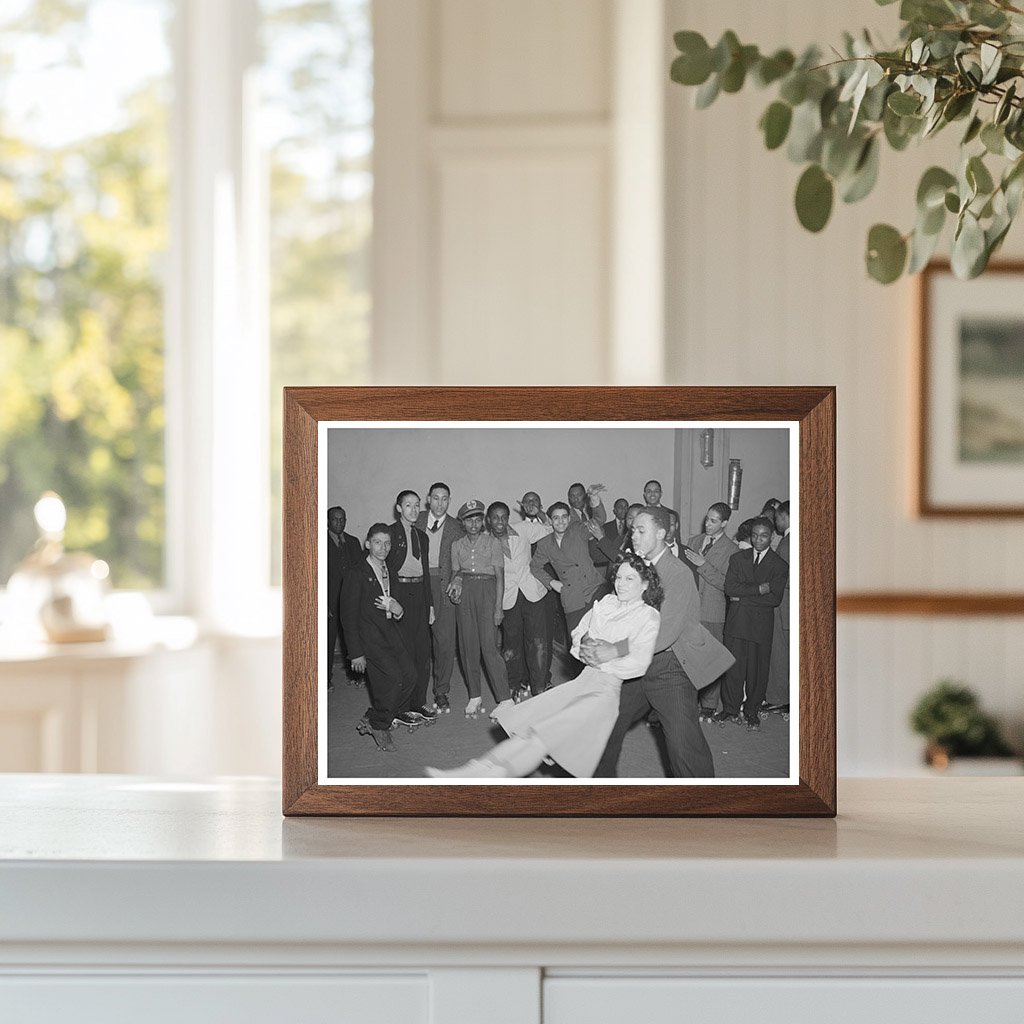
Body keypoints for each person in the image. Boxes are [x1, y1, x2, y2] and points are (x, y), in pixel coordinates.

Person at [426, 553, 662, 779]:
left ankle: (495, 774)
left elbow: (640, 659)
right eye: (618, 577)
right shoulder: (608, 602)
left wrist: (612, 651)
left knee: (542, 738)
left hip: (603, 693)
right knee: (530, 730)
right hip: (582, 683)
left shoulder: (647, 615)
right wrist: (586, 643)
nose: (620, 584)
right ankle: (475, 769)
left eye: (629, 578)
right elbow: (579, 633)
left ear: (644, 584)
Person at [594, 507, 733, 778]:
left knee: (685, 747)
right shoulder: (637, 569)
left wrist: (615, 649)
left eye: (641, 530)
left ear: (661, 533)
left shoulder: (677, 573)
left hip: (670, 668)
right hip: (638, 667)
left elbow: (663, 634)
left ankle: (705, 805)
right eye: (632, 529)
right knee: (605, 725)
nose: (633, 535)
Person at [341, 523, 421, 752]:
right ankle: (379, 725)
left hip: (390, 634)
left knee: (410, 676)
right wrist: (355, 653)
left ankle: (375, 715)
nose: (383, 548)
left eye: (387, 543)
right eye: (377, 542)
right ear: (367, 544)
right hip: (368, 639)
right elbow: (348, 616)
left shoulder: (389, 571)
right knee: (394, 679)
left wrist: (399, 609)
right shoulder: (356, 573)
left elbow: (395, 608)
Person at [715, 516, 788, 731]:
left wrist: (742, 596)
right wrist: (758, 589)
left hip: (760, 626)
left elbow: (774, 599)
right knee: (733, 668)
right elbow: (730, 589)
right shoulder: (738, 559)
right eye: (755, 535)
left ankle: (752, 711)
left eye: (764, 536)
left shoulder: (779, 565)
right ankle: (730, 708)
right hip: (737, 623)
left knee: (758, 671)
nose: (758, 540)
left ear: (772, 537)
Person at [448, 499, 513, 719]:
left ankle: (505, 698)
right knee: (468, 647)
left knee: (489, 648)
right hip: (466, 595)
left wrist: (498, 608)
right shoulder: (456, 545)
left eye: (477, 519)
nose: (474, 524)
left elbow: (500, 577)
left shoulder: (492, 542)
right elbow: (456, 572)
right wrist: (456, 581)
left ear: (482, 521)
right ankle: (474, 695)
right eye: (469, 520)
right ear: (462, 523)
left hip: (487, 592)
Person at [487, 501, 552, 701]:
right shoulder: (485, 542)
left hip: (533, 593)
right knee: (511, 645)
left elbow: (550, 528)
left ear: (508, 518)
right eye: (495, 518)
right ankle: (513, 686)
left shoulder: (523, 529)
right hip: (507, 598)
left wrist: (539, 511)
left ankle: (539, 686)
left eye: (504, 517)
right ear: (488, 520)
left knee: (538, 642)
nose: (500, 522)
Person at [681, 501, 740, 718]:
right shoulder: (693, 541)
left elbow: (727, 584)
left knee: (711, 659)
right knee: (688, 657)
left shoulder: (731, 550)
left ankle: (709, 705)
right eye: (707, 518)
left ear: (724, 523)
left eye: (714, 521)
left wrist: (703, 564)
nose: (708, 523)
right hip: (690, 609)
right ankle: (688, 701)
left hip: (713, 611)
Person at [386, 490, 437, 724]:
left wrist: (430, 605)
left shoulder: (422, 537)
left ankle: (418, 703)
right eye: (408, 505)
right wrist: (388, 602)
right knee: (403, 654)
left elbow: (425, 573)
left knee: (422, 652)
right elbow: (383, 571)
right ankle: (401, 706)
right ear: (399, 508)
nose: (414, 510)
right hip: (399, 596)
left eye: (417, 505)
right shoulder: (389, 534)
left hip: (419, 595)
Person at [416, 482, 465, 713]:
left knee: (444, 642)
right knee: (416, 640)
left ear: (449, 500)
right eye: (435, 498)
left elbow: (464, 559)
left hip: (444, 586)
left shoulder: (456, 527)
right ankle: (413, 690)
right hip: (417, 584)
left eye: (444, 499)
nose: (440, 503)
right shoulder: (416, 518)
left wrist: (458, 578)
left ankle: (441, 690)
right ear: (428, 499)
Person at [530, 501, 605, 634]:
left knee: (602, 636)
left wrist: (594, 499)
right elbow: (535, 567)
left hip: (595, 590)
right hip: (572, 598)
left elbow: (599, 519)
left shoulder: (578, 530)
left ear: (569, 518)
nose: (561, 521)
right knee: (577, 641)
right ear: (551, 521)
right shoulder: (545, 544)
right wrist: (552, 583)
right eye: (556, 518)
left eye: (564, 517)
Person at [326, 506, 362, 691]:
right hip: (330, 601)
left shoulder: (354, 542)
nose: (339, 523)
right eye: (335, 519)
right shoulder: (320, 542)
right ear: (328, 521)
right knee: (328, 640)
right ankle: (325, 679)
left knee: (352, 637)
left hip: (351, 600)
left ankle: (355, 676)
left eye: (342, 519)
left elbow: (360, 572)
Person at [765, 500, 791, 710]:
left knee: (780, 654)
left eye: (777, 518)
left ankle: (780, 698)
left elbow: (786, 577)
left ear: (784, 517)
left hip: (784, 606)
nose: (776, 523)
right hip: (787, 605)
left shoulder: (787, 542)